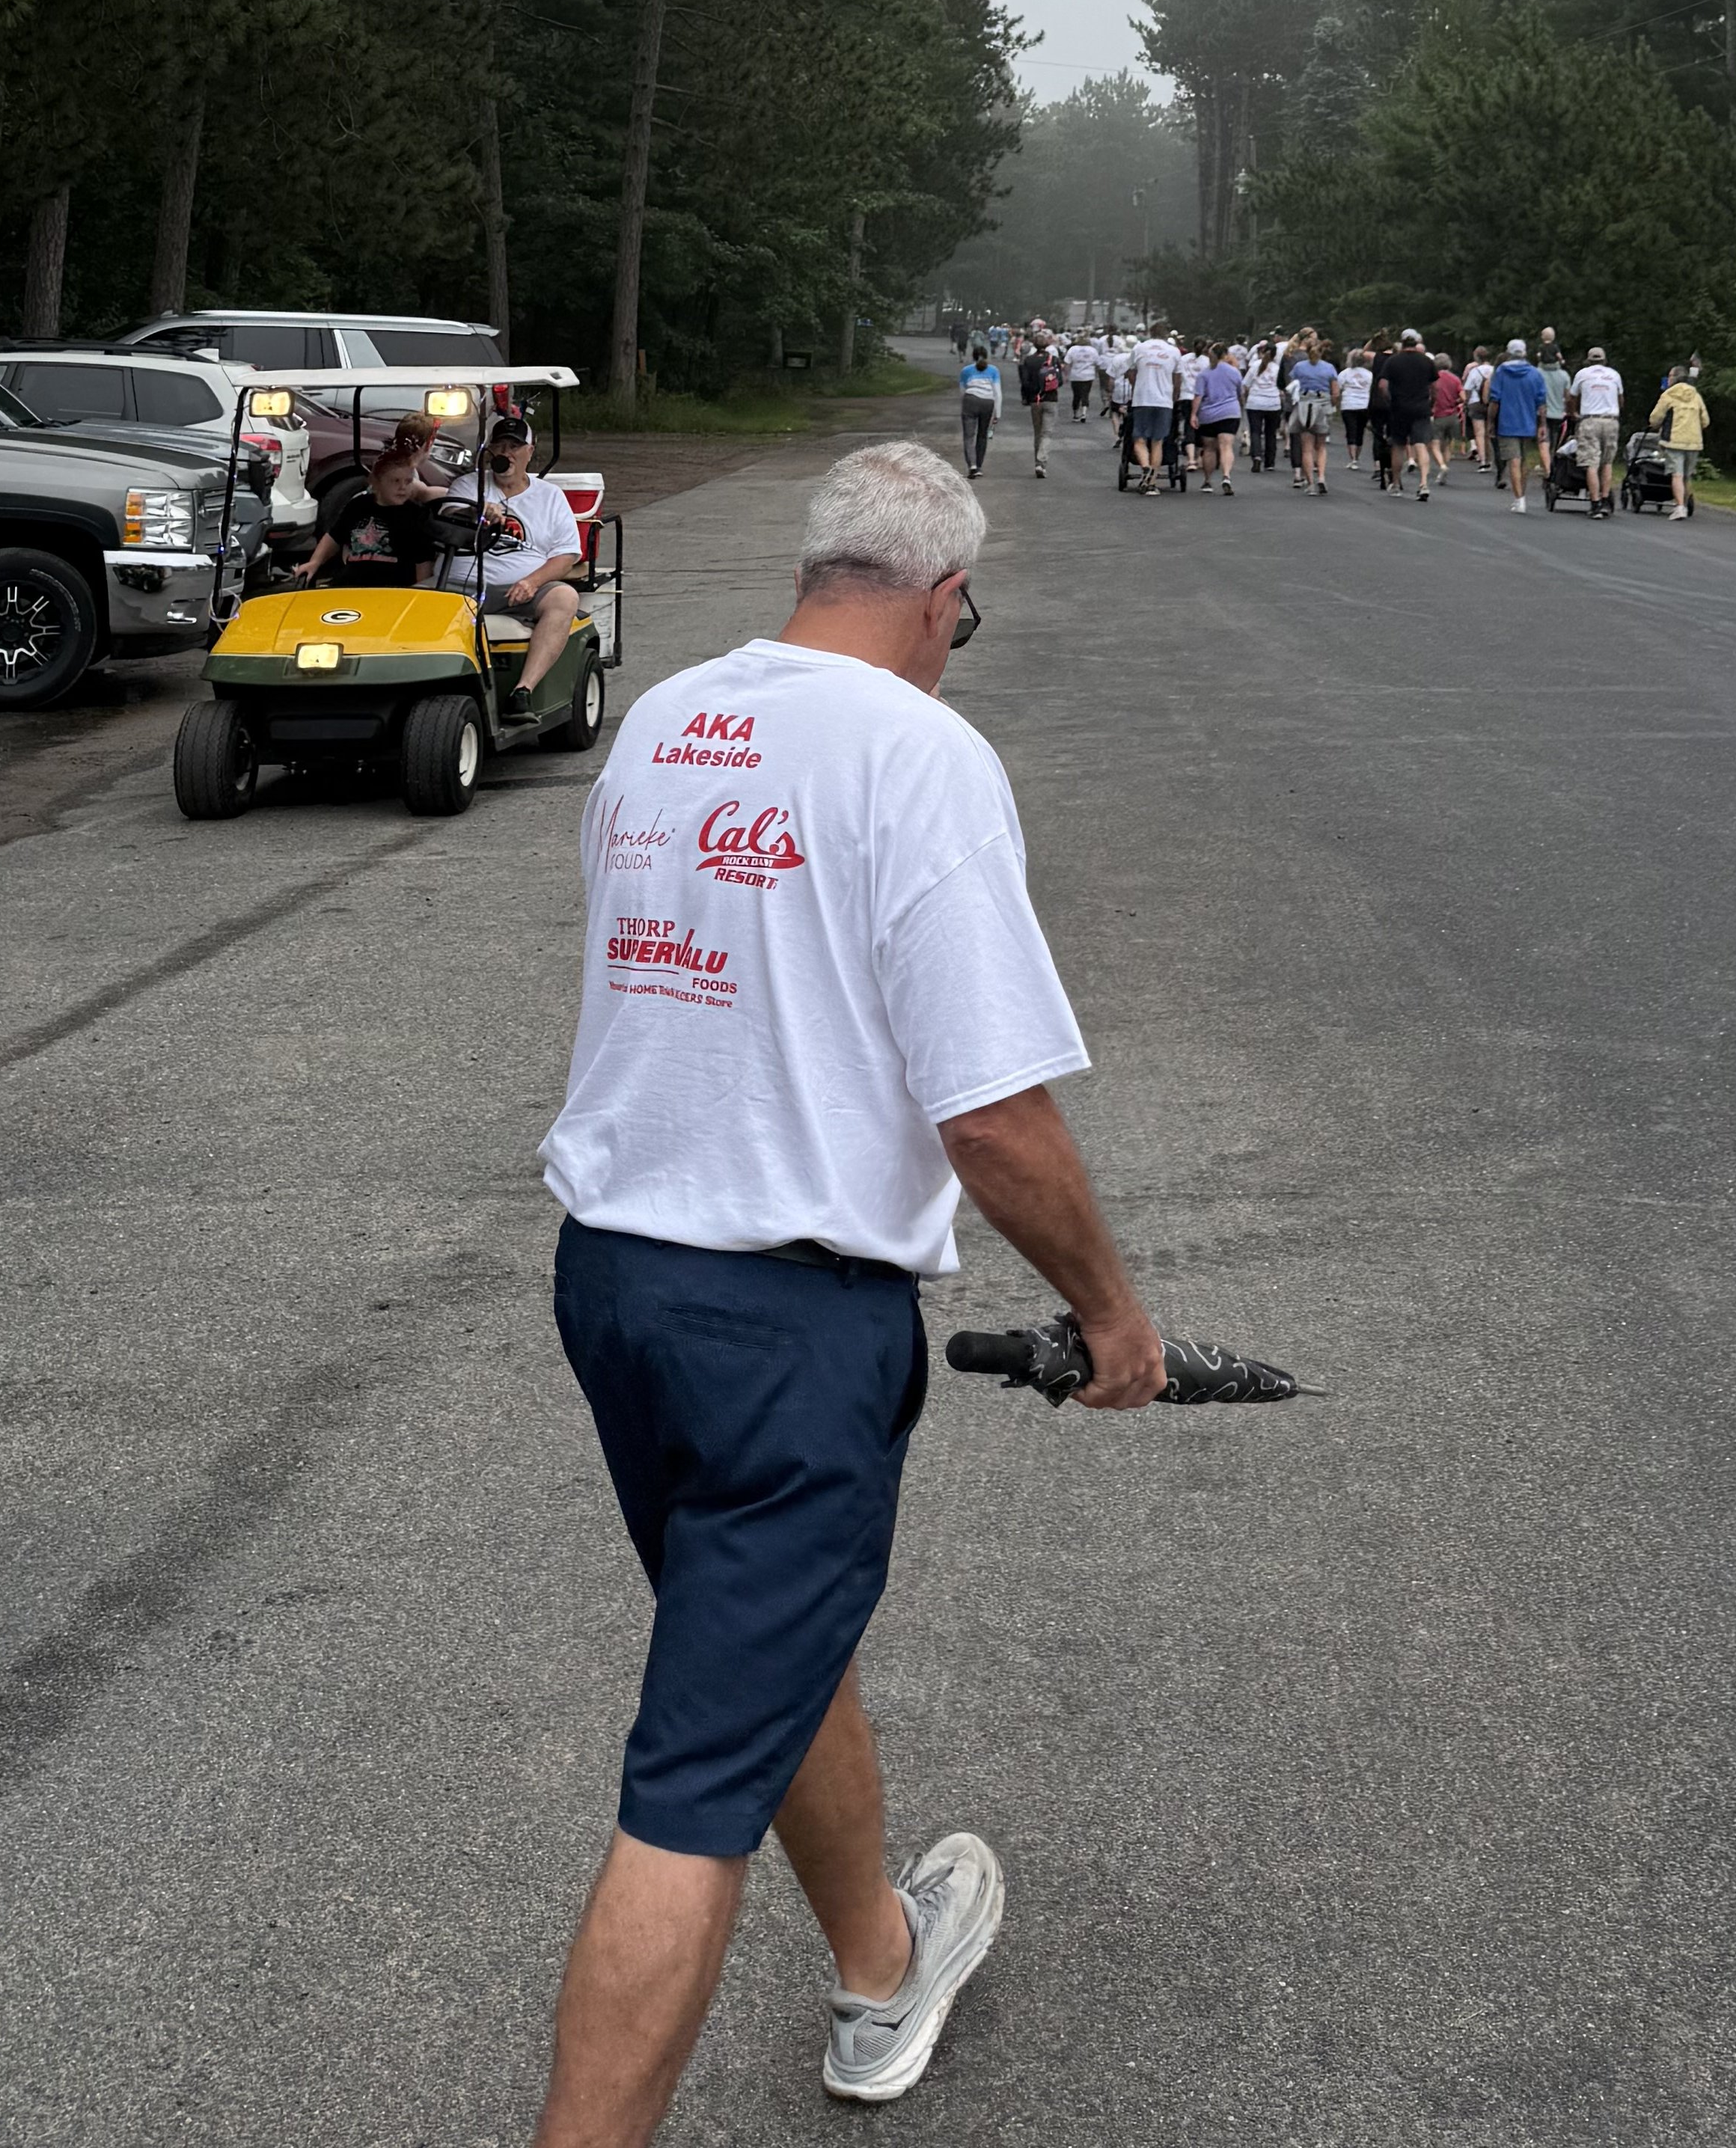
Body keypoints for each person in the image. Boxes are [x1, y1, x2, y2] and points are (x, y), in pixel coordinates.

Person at [532, 443, 1161, 2133]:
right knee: (687, 1799)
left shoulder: (665, 719)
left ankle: (885, 1959)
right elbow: (991, 1111)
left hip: (617, 1285)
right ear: (947, 599)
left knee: (758, 1642)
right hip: (783, 1327)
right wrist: (1111, 1308)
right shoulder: (921, 756)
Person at [447, 416, 590, 706]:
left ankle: (523, 690)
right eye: (499, 446)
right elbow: (448, 516)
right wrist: (476, 511)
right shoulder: (468, 487)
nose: (506, 453)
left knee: (565, 597)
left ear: (530, 452)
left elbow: (567, 555)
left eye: (514, 446)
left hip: (522, 590)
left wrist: (532, 582)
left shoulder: (550, 497)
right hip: (462, 588)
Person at [308, 407, 449, 583]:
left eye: (406, 482)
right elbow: (423, 492)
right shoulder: (376, 498)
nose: (402, 487)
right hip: (360, 566)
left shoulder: (411, 506)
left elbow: (422, 560)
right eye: (396, 481)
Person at [1377, 331, 1440, 501]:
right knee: (1421, 444)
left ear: (1402, 343)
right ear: (1417, 342)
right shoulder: (1427, 361)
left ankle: (1396, 484)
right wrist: (1431, 403)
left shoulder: (1393, 361)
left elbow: (1383, 385)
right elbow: (1435, 388)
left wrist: (1390, 401)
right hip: (1421, 408)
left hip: (1399, 408)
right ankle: (1424, 483)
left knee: (1398, 445)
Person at [1488, 337, 1547, 510]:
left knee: (1513, 460)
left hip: (1507, 422)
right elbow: (1541, 402)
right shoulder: (1535, 374)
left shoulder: (1501, 372)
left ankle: (1519, 498)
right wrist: (1542, 424)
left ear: (1508, 353)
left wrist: (1491, 421)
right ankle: (1522, 496)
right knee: (1523, 460)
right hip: (1528, 422)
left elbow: (1495, 400)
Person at [1648, 360, 1709, 521]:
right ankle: (1686, 502)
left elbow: (1656, 418)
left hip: (1674, 440)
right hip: (1694, 441)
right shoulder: (1695, 395)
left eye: (1669, 376)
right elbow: (1705, 421)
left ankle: (1680, 507)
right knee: (1686, 476)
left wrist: (1655, 425)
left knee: (1677, 474)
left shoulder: (1669, 395)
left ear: (1674, 378)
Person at [1125, 325, 1180, 492]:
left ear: (1150, 333)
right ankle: (1152, 482)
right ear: (1166, 335)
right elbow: (1177, 379)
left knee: (1139, 439)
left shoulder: (1139, 348)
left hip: (1143, 399)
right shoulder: (1174, 352)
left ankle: (1145, 466)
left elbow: (1130, 372)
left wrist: (1137, 386)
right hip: (1164, 401)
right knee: (1158, 441)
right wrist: (1174, 397)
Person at [1572, 347, 1624, 515]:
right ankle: (1605, 498)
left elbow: (1572, 397)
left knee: (1591, 463)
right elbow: (1620, 399)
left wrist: (1574, 413)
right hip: (1611, 420)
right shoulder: (1614, 375)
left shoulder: (1582, 374)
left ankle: (1595, 504)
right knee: (1607, 462)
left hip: (1590, 420)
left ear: (1588, 360)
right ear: (1604, 360)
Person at [1191, 340, 1244, 491]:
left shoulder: (1204, 374)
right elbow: (1240, 392)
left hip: (1209, 415)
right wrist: (1241, 405)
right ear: (1226, 355)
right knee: (1227, 446)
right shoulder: (1234, 372)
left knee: (1209, 448)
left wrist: (1194, 415)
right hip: (1230, 412)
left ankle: (1207, 481)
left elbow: (1198, 396)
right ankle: (1226, 475)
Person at [1286, 332, 1336, 491]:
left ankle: (1310, 483)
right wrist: (1333, 406)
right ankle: (1321, 476)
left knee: (1306, 447)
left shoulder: (1299, 367)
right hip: (1322, 406)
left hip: (1304, 406)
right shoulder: (1329, 368)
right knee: (1321, 446)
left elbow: (1292, 384)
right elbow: (1336, 392)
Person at [955, 341, 1000, 479]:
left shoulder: (966, 371)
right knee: (982, 435)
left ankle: (972, 465)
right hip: (988, 402)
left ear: (974, 357)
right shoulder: (993, 371)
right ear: (986, 357)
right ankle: (979, 466)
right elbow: (997, 392)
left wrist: (964, 405)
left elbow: (962, 392)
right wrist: (997, 412)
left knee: (968, 436)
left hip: (971, 401)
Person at [1241, 340, 1283, 476]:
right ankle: (1270, 462)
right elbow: (1282, 387)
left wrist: (1246, 399)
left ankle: (1257, 456)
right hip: (1273, 403)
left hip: (1255, 403)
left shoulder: (1255, 366)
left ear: (1262, 353)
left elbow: (1246, 385)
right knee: (1271, 433)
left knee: (1256, 432)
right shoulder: (1278, 369)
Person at [1015, 332, 1054, 477]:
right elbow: (1060, 380)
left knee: (1038, 433)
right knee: (1047, 433)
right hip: (1051, 398)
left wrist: (1027, 396)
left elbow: (1024, 382)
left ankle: (1037, 463)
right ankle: (1041, 462)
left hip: (1035, 400)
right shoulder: (1053, 359)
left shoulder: (1029, 361)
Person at [1336, 343, 1374, 469]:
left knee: (1350, 431)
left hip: (1349, 405)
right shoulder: (1369, 375)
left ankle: (1353, 459)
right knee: (1360, 431)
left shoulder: (1345, 373)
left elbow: (1339, 388)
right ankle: (1357, 456)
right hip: (1364, 404)